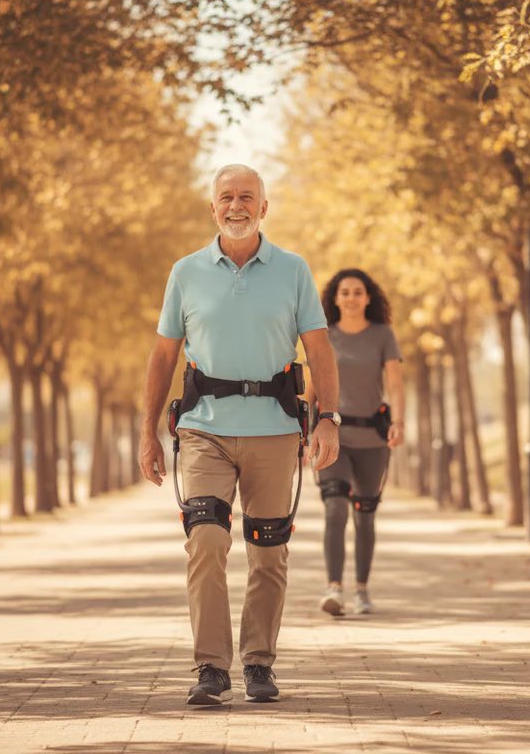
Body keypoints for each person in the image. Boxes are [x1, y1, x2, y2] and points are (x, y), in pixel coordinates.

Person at [138, 164, 340, 706]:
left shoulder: (293, 270)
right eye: (226, 197)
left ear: (264, 207)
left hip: (275, 431)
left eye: (246, 196)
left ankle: (257, 663)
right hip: (203, 431)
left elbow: (319, 349)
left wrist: (328, 418)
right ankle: (210, 667)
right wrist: (148, 432)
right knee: (205, 541)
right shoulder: (185, 272)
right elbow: (163, 356)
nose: (236, 206)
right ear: (212, 208)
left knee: (268, 553)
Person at [314, 268, 404, 617]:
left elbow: (395, 384)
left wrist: (398, 421)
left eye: (357, 292)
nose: (351, 297)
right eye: (345, 292)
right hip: (333, 438)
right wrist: (304, 430)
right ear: (335, 299)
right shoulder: (324, 336)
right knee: (335, 509)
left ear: (368, 298)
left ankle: (362, 589)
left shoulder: (383, 335)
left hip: (373, 439)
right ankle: (334, 588)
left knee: (364, 517)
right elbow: (310, 389)